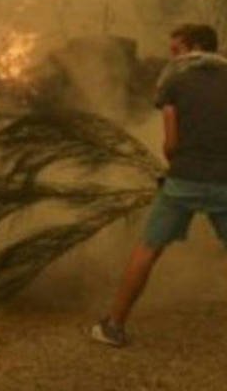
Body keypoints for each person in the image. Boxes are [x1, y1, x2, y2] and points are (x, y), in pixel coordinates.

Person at [91, 23, 227, 347]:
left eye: (177, 50)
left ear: (195, 47)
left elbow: (171, 145)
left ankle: (113, 326)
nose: (172, 57)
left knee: (148, 249)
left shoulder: (174, 83)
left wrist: (179, 161)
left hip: (182, 182)